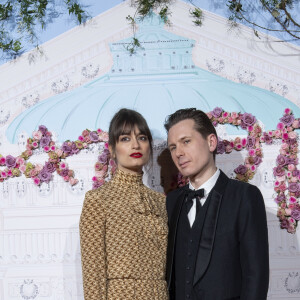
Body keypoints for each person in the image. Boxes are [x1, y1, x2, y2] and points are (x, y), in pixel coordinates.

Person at [164, 108, 269, 300]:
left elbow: (256, 277)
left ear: (211, 142)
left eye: (186, 141)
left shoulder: (245, 197)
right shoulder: (172, 201)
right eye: (172, 147)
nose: (179, 153)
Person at [79, 108, 169, 300]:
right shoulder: (98, 200)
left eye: (142, 138)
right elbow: (93, 275)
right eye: (125, 139)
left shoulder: (160, 202)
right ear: (112, 149)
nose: (136, 145)